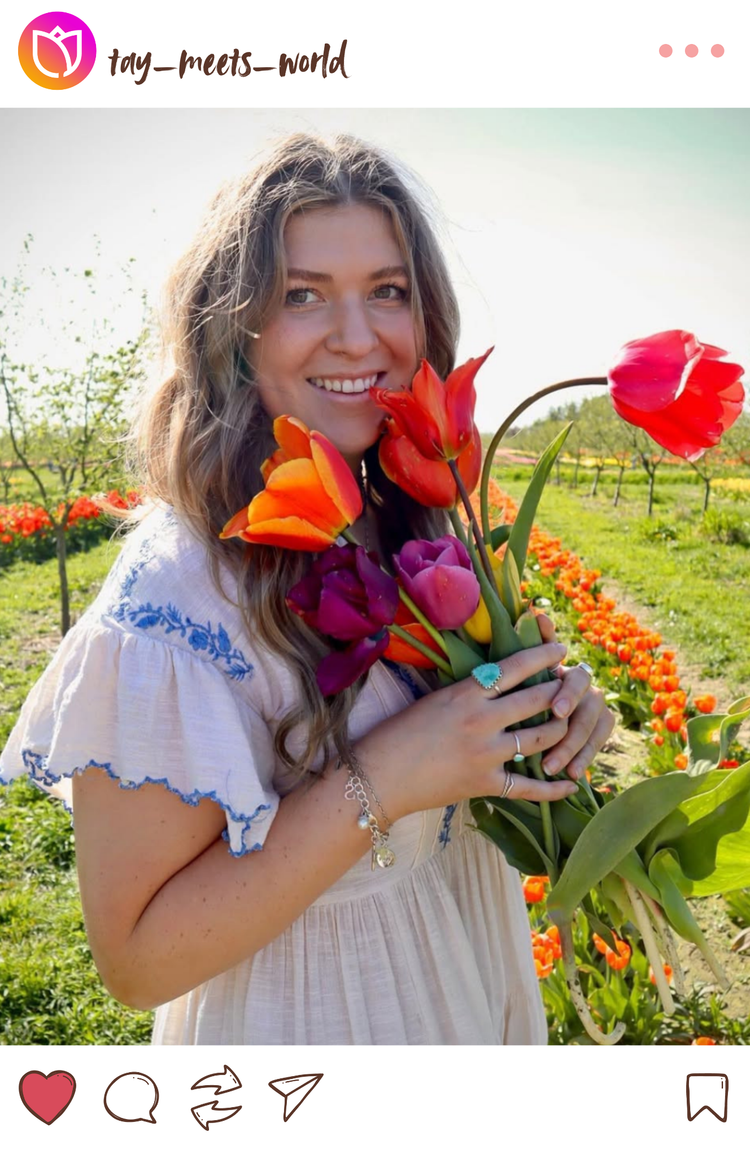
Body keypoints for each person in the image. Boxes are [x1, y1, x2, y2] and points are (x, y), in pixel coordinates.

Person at [0, 133, 615, 1045]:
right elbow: (136, 958)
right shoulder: (176, 595)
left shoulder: (391, 512)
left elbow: (457, 765)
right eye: (302, 295)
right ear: (232, 329)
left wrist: (539, 719)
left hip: (459, 981)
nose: (359, 336)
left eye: (387, 290)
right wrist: (393, 773)